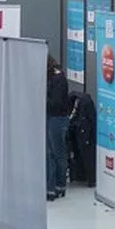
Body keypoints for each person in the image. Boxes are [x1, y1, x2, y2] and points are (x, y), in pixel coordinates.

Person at [46, 56, 71, 201]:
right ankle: (52, 186)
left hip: (57, 119)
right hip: (53, 118)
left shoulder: (57, 79)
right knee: (51, 153)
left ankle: (59, 185)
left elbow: (56, 103)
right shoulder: (56, 77)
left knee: (57, 153)